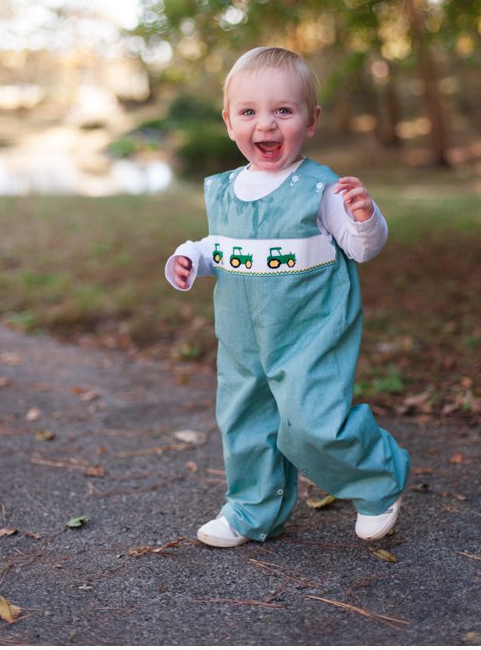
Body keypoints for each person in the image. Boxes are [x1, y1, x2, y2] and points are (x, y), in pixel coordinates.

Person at [165, 46, 410, 548]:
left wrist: (365, 217)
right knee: (245, 420)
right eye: (249, 112)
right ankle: (253, 509)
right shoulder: (225, 188)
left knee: (312, 420)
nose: (266, 126)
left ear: (310, 119)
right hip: (242, 337)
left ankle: (378, 479)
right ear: (230, 123)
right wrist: (189, 258)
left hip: (309, 330)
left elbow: (362, 249)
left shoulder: (321, 189)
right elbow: (225, 247)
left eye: (283, 110)